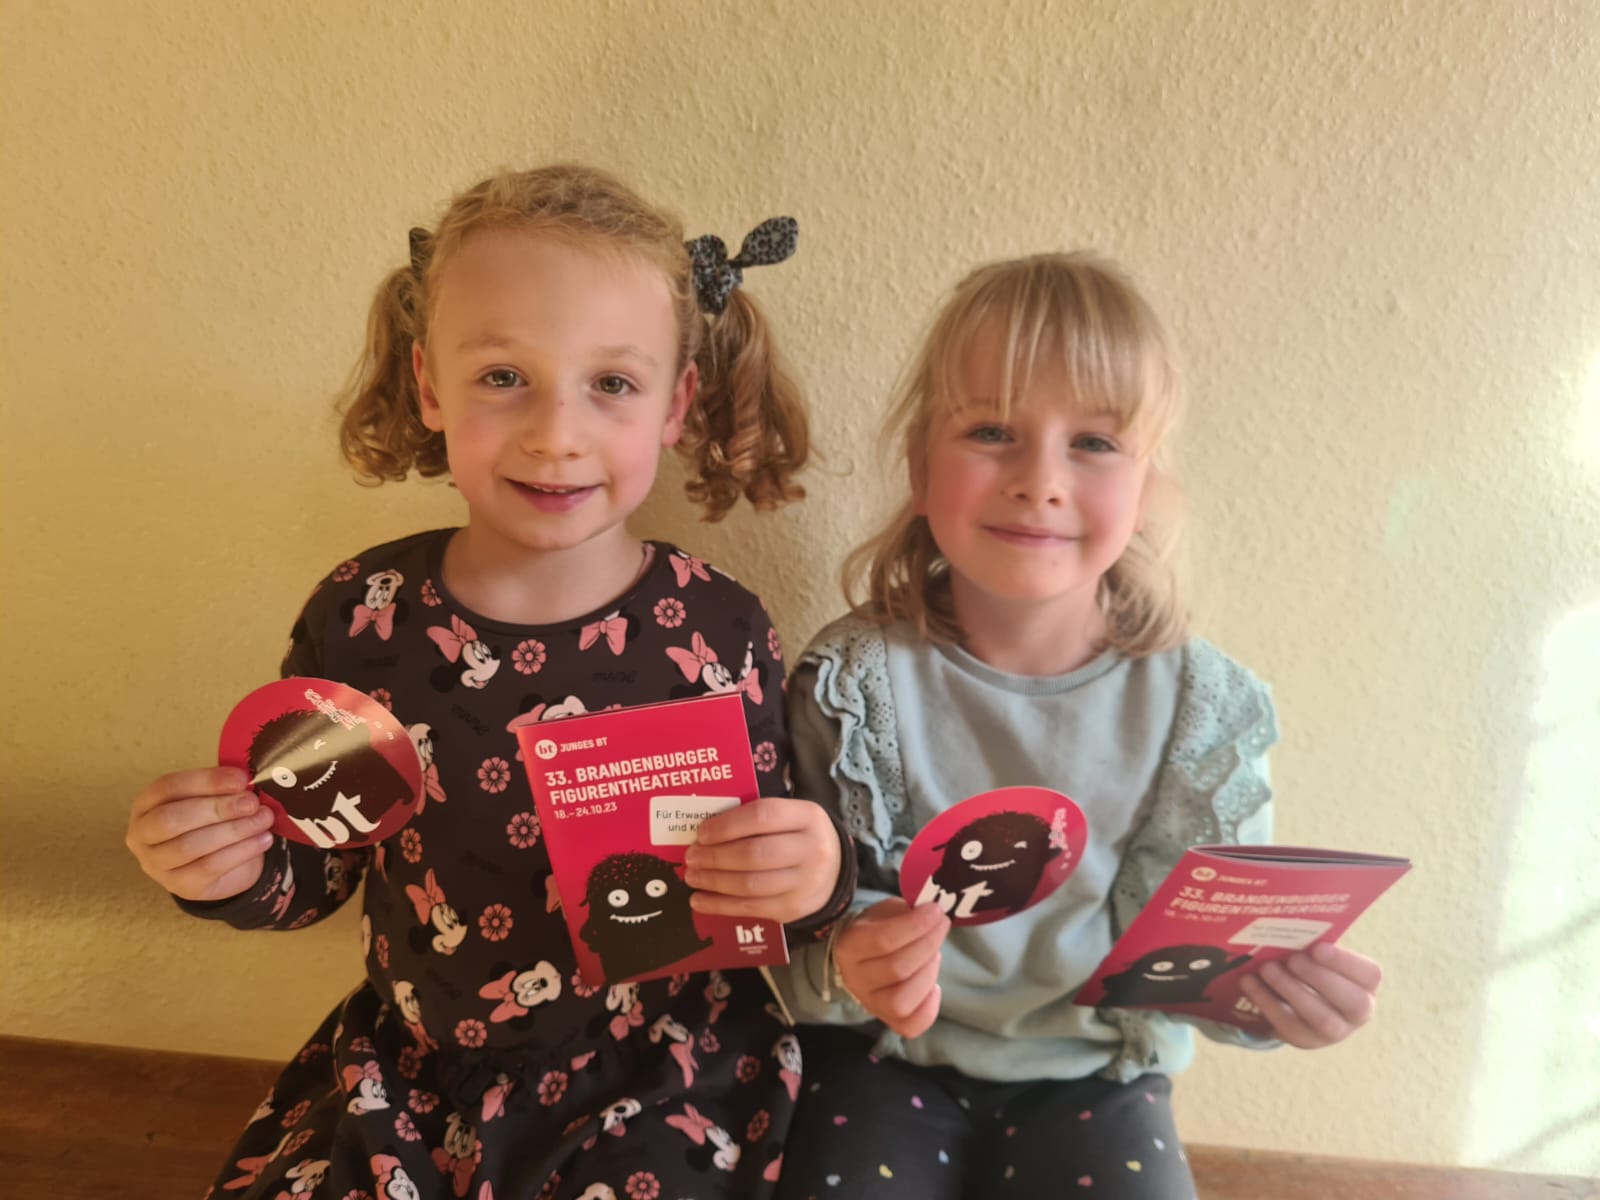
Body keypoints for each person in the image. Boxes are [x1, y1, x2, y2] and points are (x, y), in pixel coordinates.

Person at [125, 164, 852, 1200]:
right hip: (413, 1075)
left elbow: (768, 884)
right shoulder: (362, 617)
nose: (556, 433)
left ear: (677, 403)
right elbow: (314, 874)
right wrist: (225, 867)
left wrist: (812, 877)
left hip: (660, 1074)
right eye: (504, 375)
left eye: (612, 383)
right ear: (430, 385)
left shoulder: (717, 626)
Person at [770, 253, 1385, 1199]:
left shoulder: (1203, 710)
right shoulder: (851, 686)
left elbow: (1207, 960)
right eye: (990, 432)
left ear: (1146, 487)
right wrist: (849, 960)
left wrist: (1273, 1003)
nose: (1039, 481)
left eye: (1094, 442)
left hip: (1098, 1076)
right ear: (920, 467)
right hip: (880, 1061)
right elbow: (786, 941)